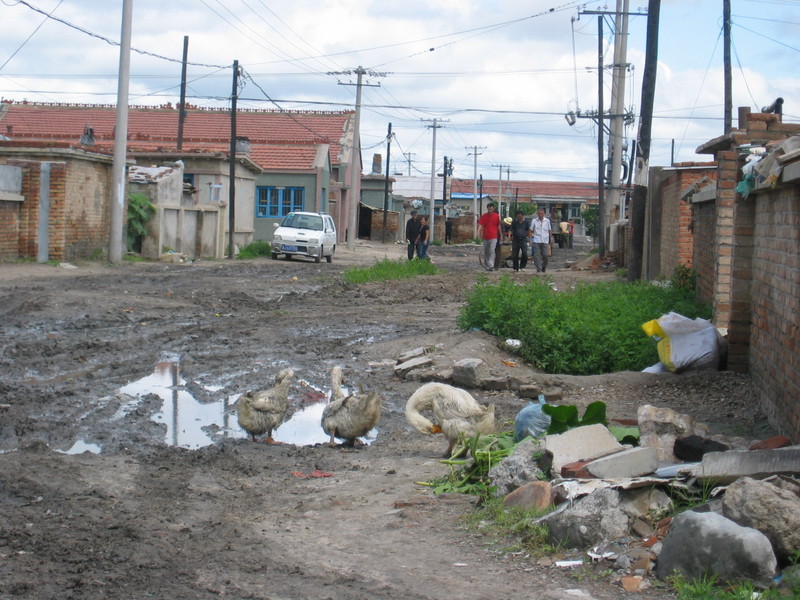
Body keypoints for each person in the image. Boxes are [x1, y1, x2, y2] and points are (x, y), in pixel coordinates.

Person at [477, 202, 501, 272]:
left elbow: (498, 225)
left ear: (493, 209)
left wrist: (501, 234)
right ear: (487, 209)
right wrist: (478, 232)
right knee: (487, 251)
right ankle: (487, 265)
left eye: (491, 209)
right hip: (486, 236)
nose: (490, 210)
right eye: (489, 209)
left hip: (494, 236)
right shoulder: (484, 216)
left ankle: (491, 265)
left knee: (492, 250)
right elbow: (480, 225)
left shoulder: (496, 216)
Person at [530, 208, 552, 273]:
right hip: (536, 240)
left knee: (545, 255)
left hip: (545, 240)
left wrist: (551, 238)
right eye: (539, 213)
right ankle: (539, 269)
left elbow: (549, 230)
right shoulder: (534, 221)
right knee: (537, 255)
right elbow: (531, 230)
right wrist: (530, 239)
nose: (540, 215)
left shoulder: (547, 221)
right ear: (537, 214)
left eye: (542, 213)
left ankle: (543, 267)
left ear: (544, 214)